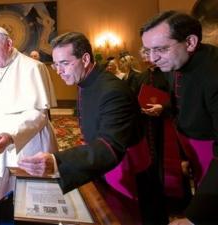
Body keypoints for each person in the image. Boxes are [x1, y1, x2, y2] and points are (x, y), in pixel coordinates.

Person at [18, 32, 141, 220]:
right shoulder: (86, 81)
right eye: (56, 64)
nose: (58, 71)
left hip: (122, 172)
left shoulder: (113, 91)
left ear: (85, 59)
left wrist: (57, 162)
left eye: (65, 63)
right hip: (98, 162)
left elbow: (110, 146)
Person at [141, 11, 218, 225]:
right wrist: (164, 108)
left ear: (190, 42)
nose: (152, 58)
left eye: (161, 49)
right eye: (148, 50)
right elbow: (184, 98)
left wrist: (194, 217)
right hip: (194, 153)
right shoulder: (175, 61)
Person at [0, 26, 58, 177]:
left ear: (9, 44)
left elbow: (39, 114)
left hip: (26, 144)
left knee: (25, 193)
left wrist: (11, 136)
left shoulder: (33, 67)